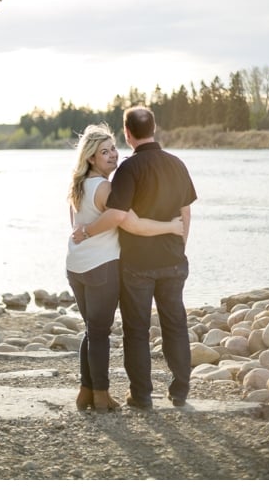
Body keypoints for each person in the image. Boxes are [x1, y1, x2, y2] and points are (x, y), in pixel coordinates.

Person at [74, 107, 197, 410]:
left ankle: (141, 395)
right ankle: (180, 391)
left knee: (137, 330)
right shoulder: (177, 164)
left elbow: (119, 217)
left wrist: (86, 231)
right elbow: (186, 213)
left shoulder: (128, 170)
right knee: (176, 324)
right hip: (173, 260)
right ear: (155, 128)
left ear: (127, 133)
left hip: (137, 265)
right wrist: (178, 246)